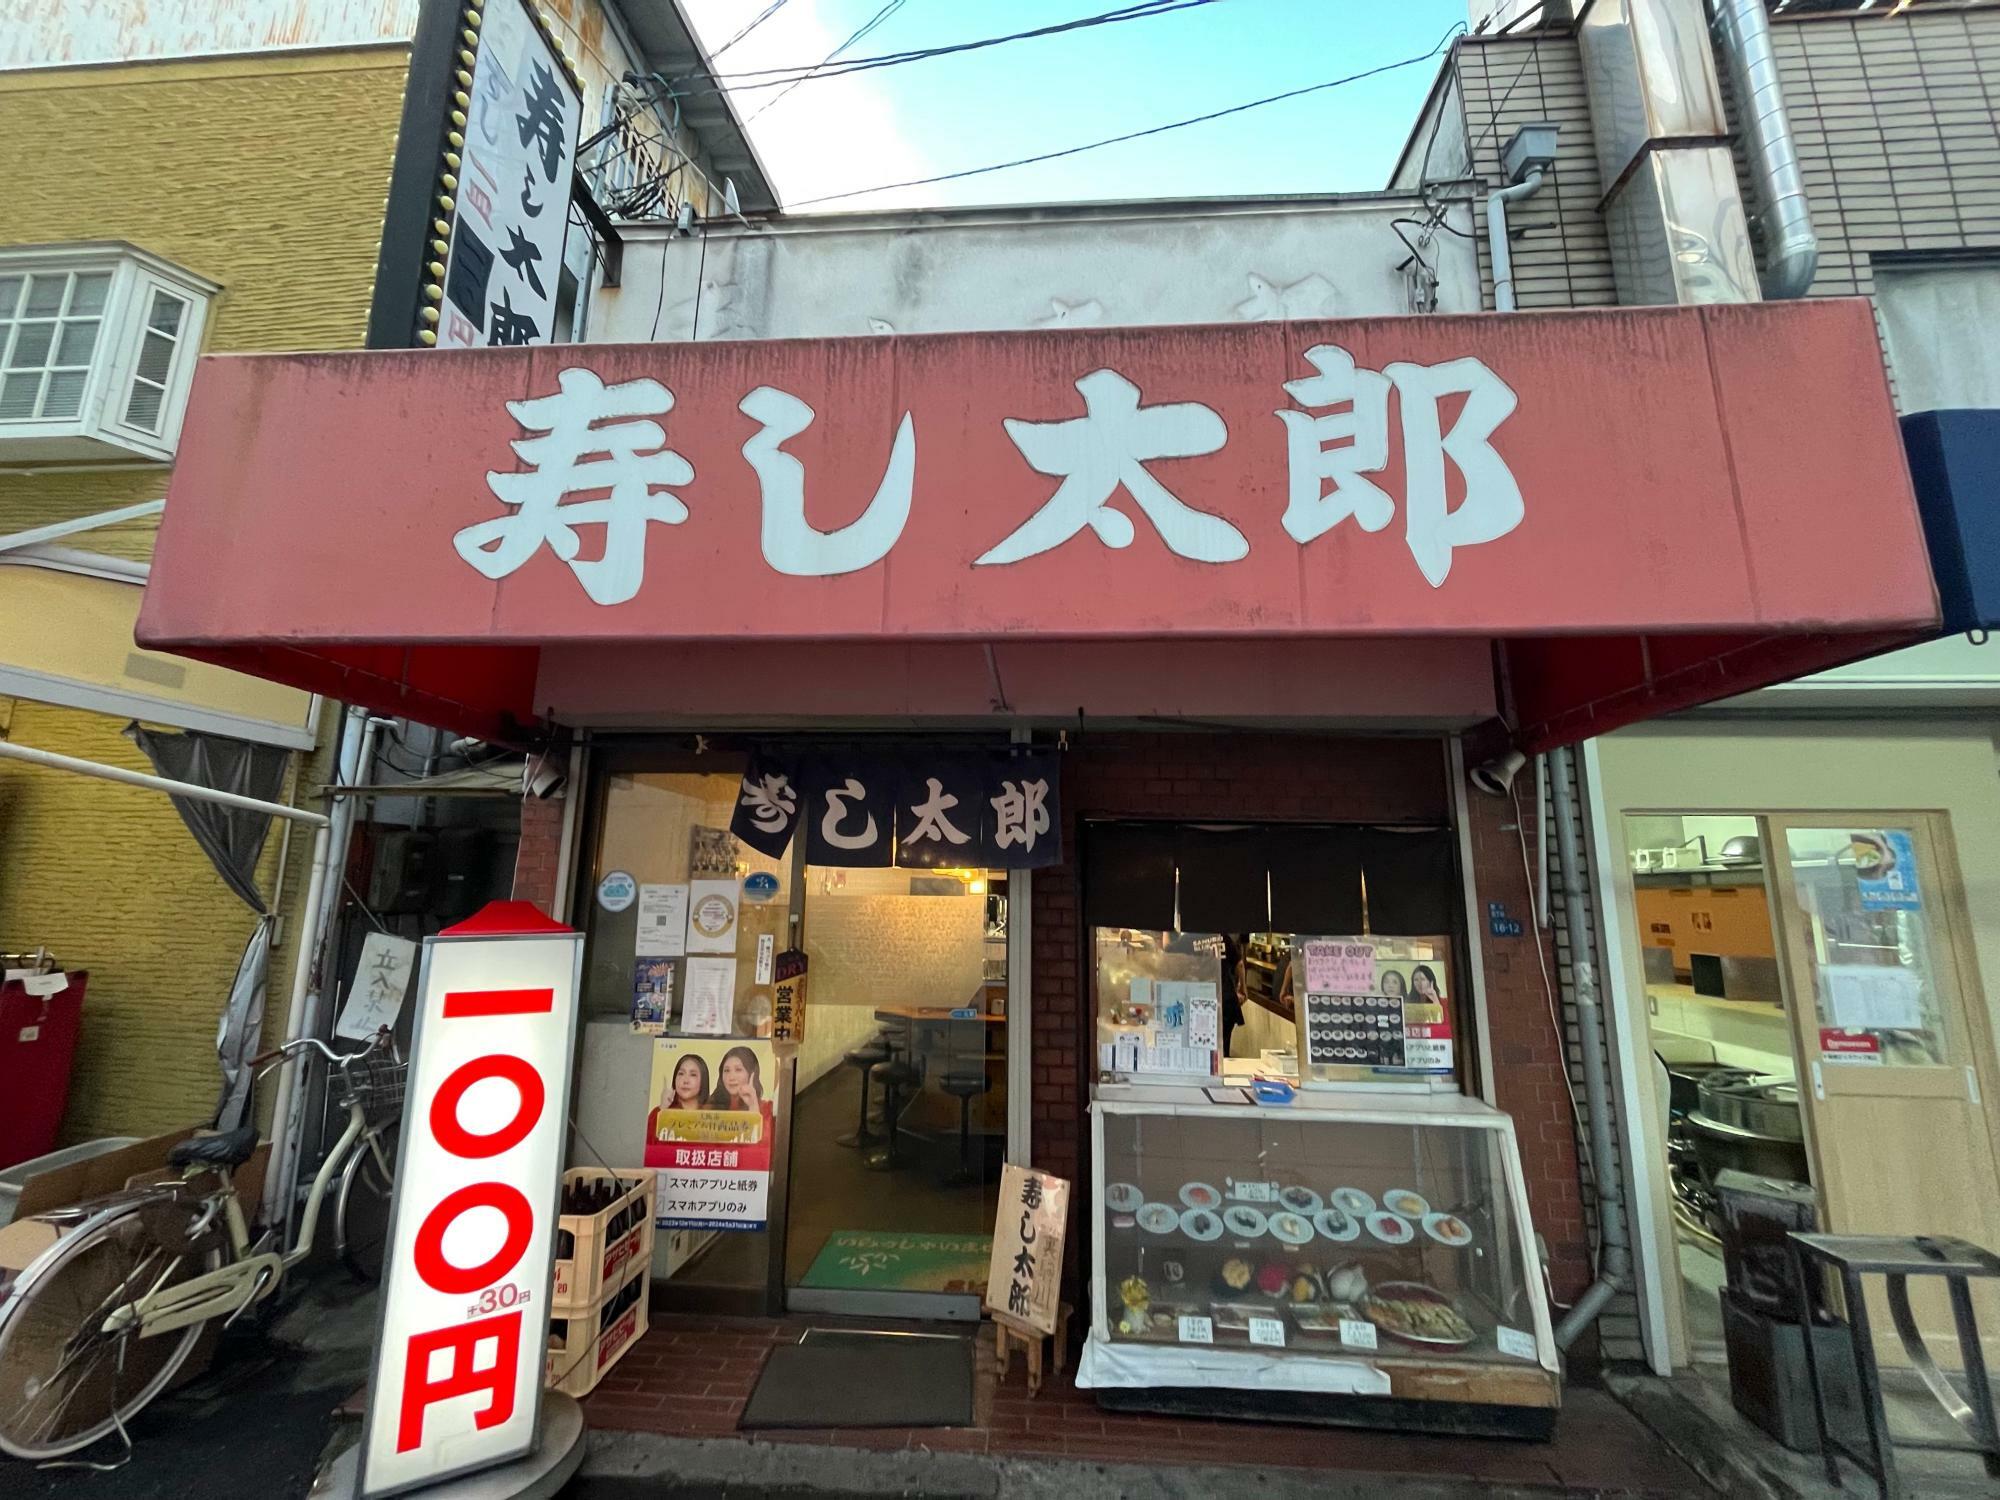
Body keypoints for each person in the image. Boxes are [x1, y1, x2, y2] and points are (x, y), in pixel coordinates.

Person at [646, 1053, 709, 1145]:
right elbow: (648, 1148)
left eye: (693, 1075)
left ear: (703, 1080)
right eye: (681, 1073)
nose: (685, 1080)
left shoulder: (712, 1115)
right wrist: (663, 1110)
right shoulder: (659, 1113)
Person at [709, 1046, 765, 1112]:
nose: (731, 1077)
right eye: (727, 1070)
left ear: (751, 1074)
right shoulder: (709, 1106)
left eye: (738, 1070)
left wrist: (752, 1105)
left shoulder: (767, 1108)